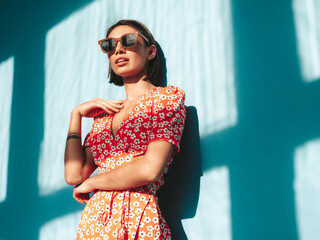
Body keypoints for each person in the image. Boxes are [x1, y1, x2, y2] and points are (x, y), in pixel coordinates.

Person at [64, 19, 186, 240]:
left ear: (150, 51)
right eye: (110, 45)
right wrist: (76, 116)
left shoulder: (166, 99)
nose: (118, 49)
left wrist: (92, 182)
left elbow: (150, 169)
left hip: (138, 215)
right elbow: (74, 175)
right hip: (94, 222)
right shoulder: (103, 116)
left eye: (128, 41)